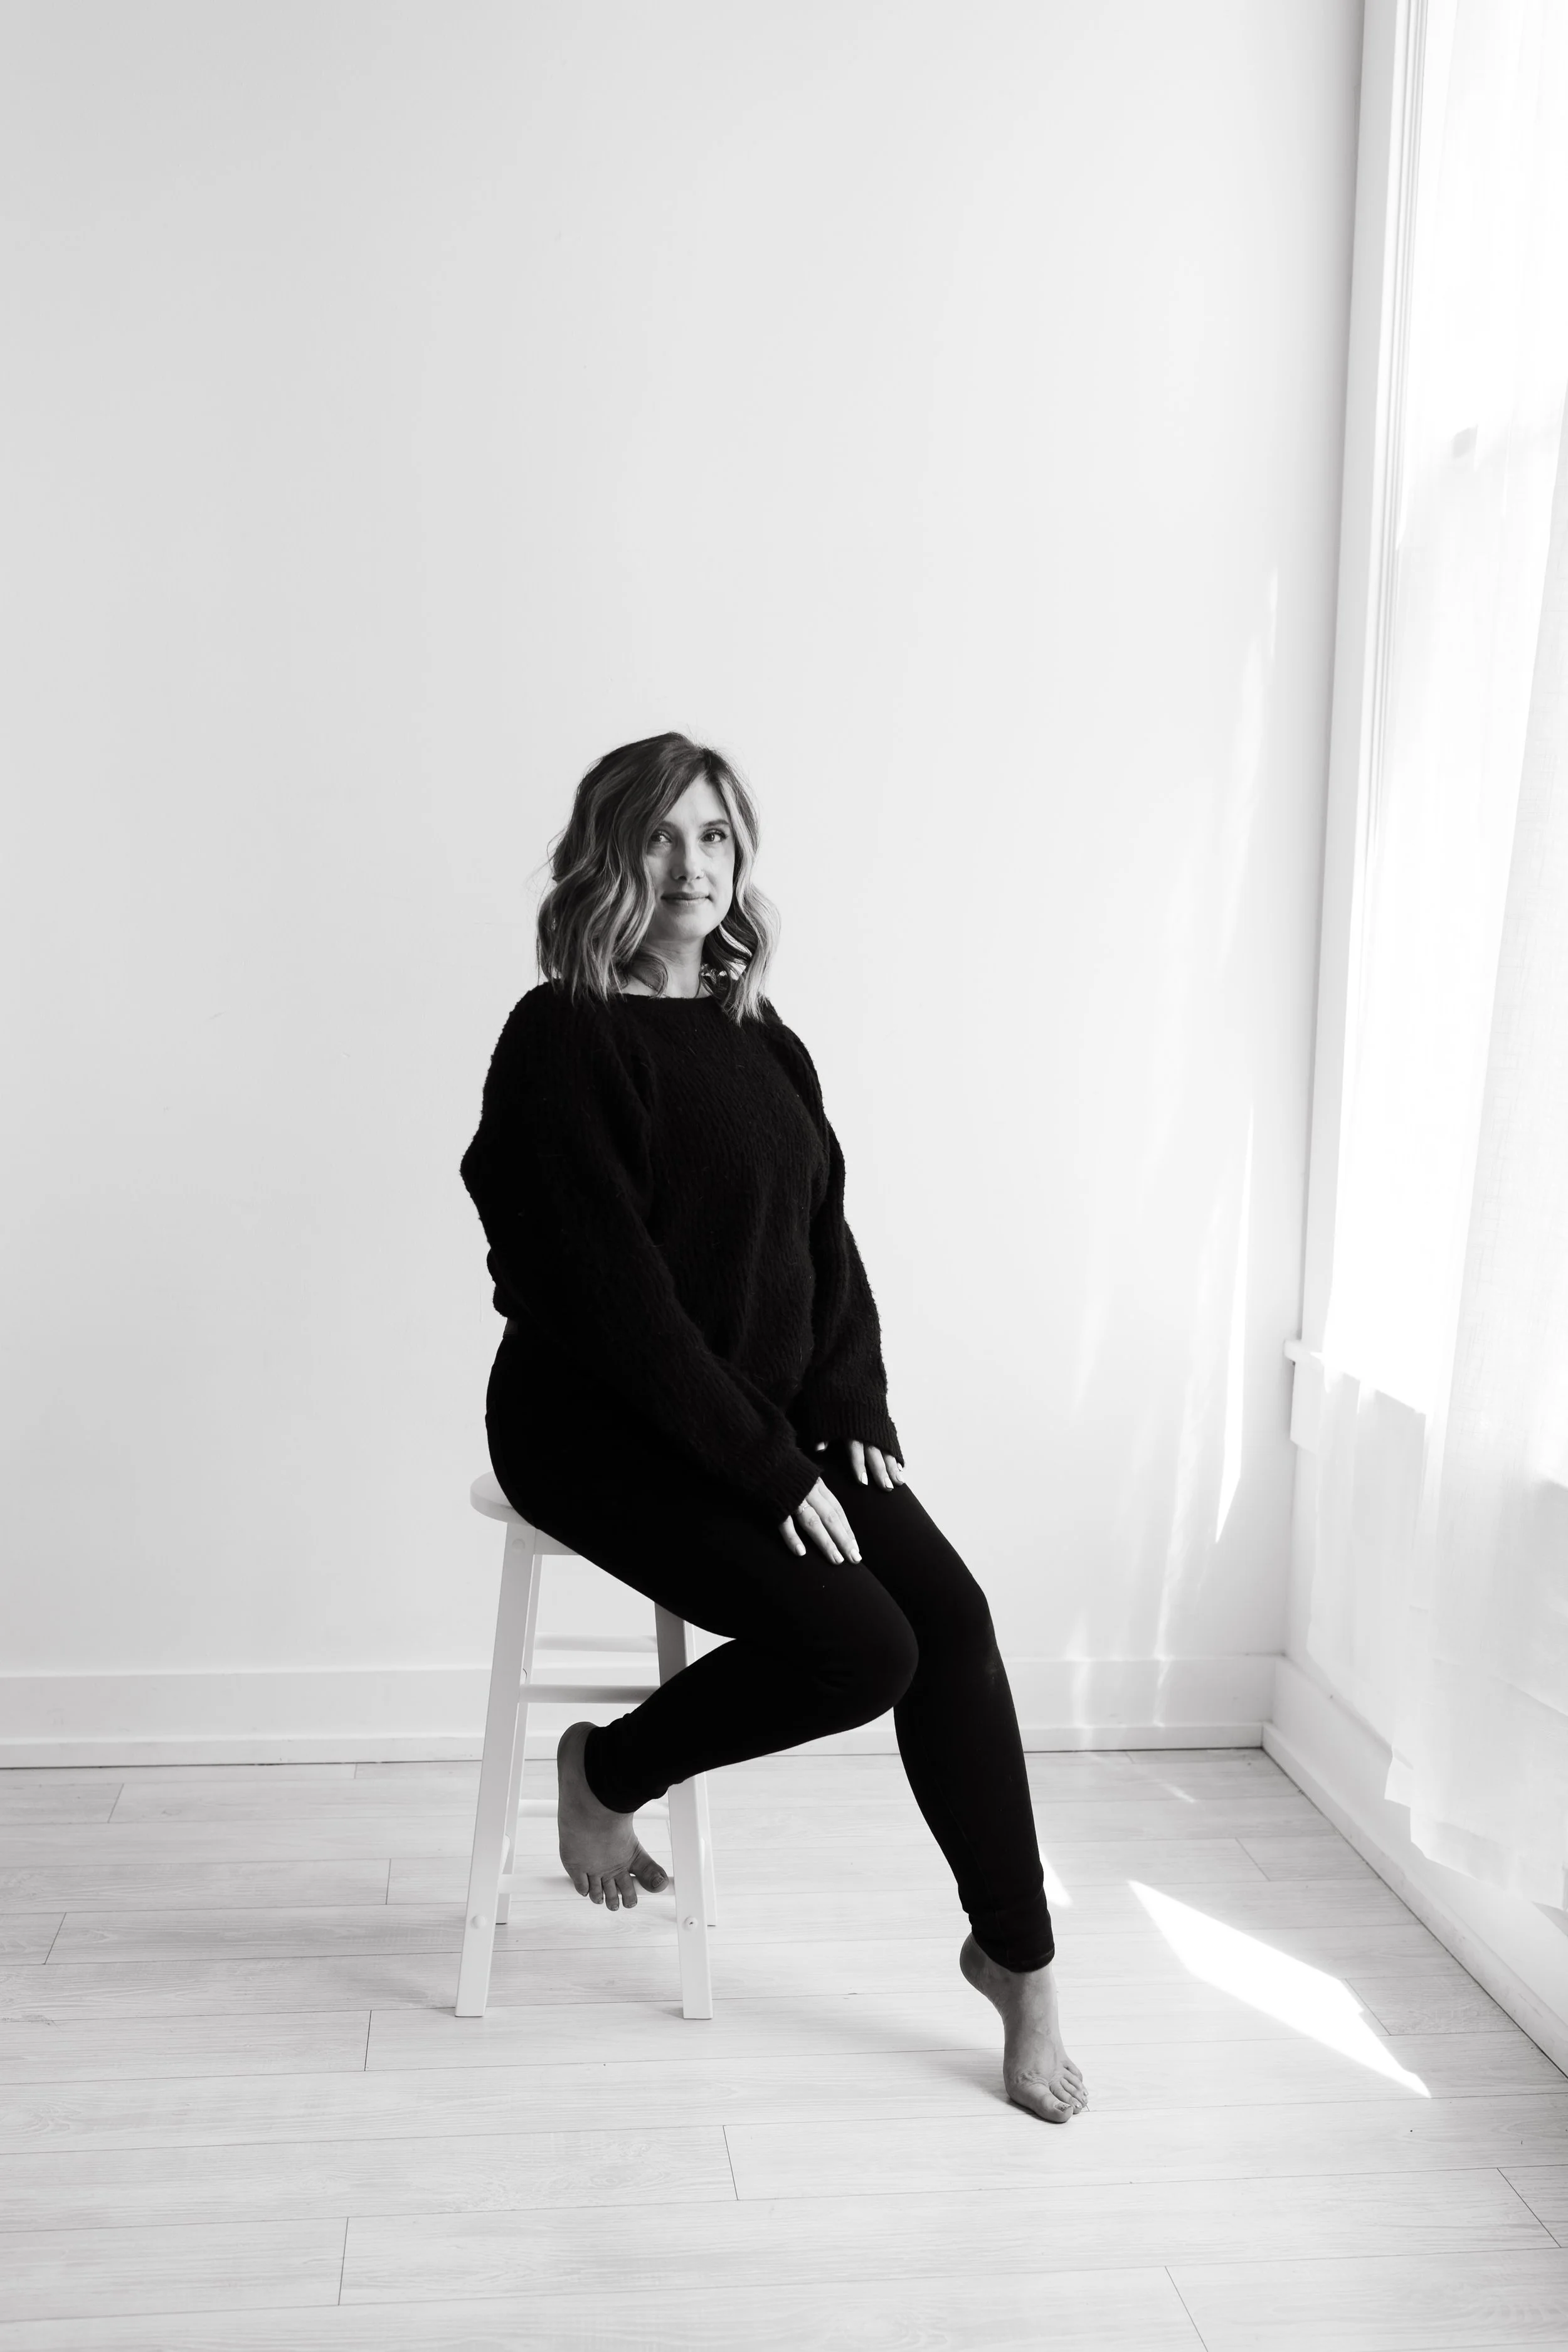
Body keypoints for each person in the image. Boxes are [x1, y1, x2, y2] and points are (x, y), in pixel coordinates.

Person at [459, 731, 1086, 2124]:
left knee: (951, 1619)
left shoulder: (759, 1033)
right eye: (662, 837)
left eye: (717, 838)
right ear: (608, 856)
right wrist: (762, 1465)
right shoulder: (563, 1033)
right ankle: (601, 1768)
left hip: (754, 1412)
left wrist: (847, 1406)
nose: (692, 866)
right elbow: (613, 1307)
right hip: (594, 1422)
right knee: (858, 1643)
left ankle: (1016, 1959)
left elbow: (822, 1245)